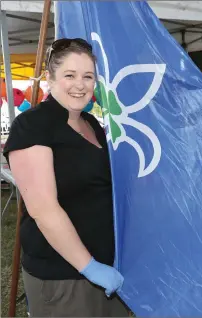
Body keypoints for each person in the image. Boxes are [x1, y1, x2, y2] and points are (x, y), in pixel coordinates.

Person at [3, 38, 129, 317]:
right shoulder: (32, 125)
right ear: (50, 78)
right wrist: (90, 267)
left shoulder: (92, 124)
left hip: (108, 268)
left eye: (88, 76)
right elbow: (43, 210)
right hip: (64, 277)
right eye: (69, 75)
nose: (80, 84)